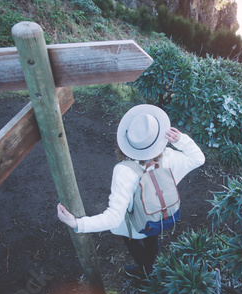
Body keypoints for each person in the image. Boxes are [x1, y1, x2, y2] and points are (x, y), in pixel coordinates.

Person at [57, 104, 205, 278]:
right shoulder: (170, 158)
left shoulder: (125, 171)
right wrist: (181, 141)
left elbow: (114, 218)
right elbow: (198, 159)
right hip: (159, 216)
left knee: (132, 240)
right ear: (158, 138)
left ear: (127, 142)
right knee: (152, 237)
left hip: (136, 226)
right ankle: (154, 265)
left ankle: (148, 272)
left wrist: (78, 224)